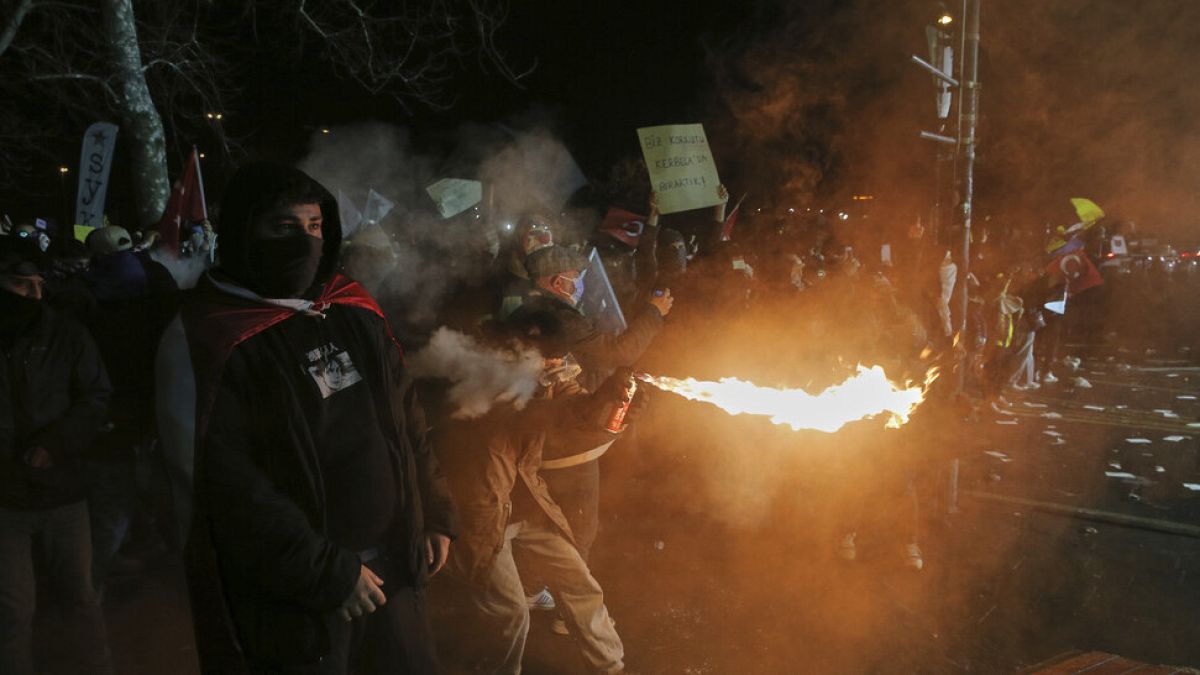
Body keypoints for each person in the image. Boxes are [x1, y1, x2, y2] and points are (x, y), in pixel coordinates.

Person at [156, 163, 460, 674]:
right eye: (283, 228)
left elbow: (407, 424)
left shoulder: (352, 308)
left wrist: (434, 512)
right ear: (243, 232)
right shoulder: (208, 338)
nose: (304, 241)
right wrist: (327, 574)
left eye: (314, 227)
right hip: (296, 591)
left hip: (393, 566)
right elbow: (224, 485)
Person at [440, 315, 634, 675]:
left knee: (579, 584)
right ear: (522, 350)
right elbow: (533, 417)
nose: (558, 365)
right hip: (484, 512)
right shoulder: (486, 376)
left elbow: (579, 414)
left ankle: (611, 668)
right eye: (550, 358)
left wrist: (616, 408)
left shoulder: (546, 375)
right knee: (509, 613)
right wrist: (596, 403)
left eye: (561, 357)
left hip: (527, 503)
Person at [508, 245, 670, 573]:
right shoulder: (557, 315)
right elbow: (617, 354)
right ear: (557, 283)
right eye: (576, 279)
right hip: (561, 438)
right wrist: (654, 313)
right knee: (579, 522)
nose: (580, 285)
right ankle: (561, 600)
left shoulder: (524, 311)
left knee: (552, 517)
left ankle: (538, 584)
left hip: (542, 430)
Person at [0, 236, 114, 675]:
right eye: (19, 284)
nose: (33, 294)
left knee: (79, 597)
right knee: (12, 609)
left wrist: (56, 443)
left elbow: (96, 395)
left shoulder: (65, 333)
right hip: (4, 500)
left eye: (38, 284)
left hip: (63, 493)